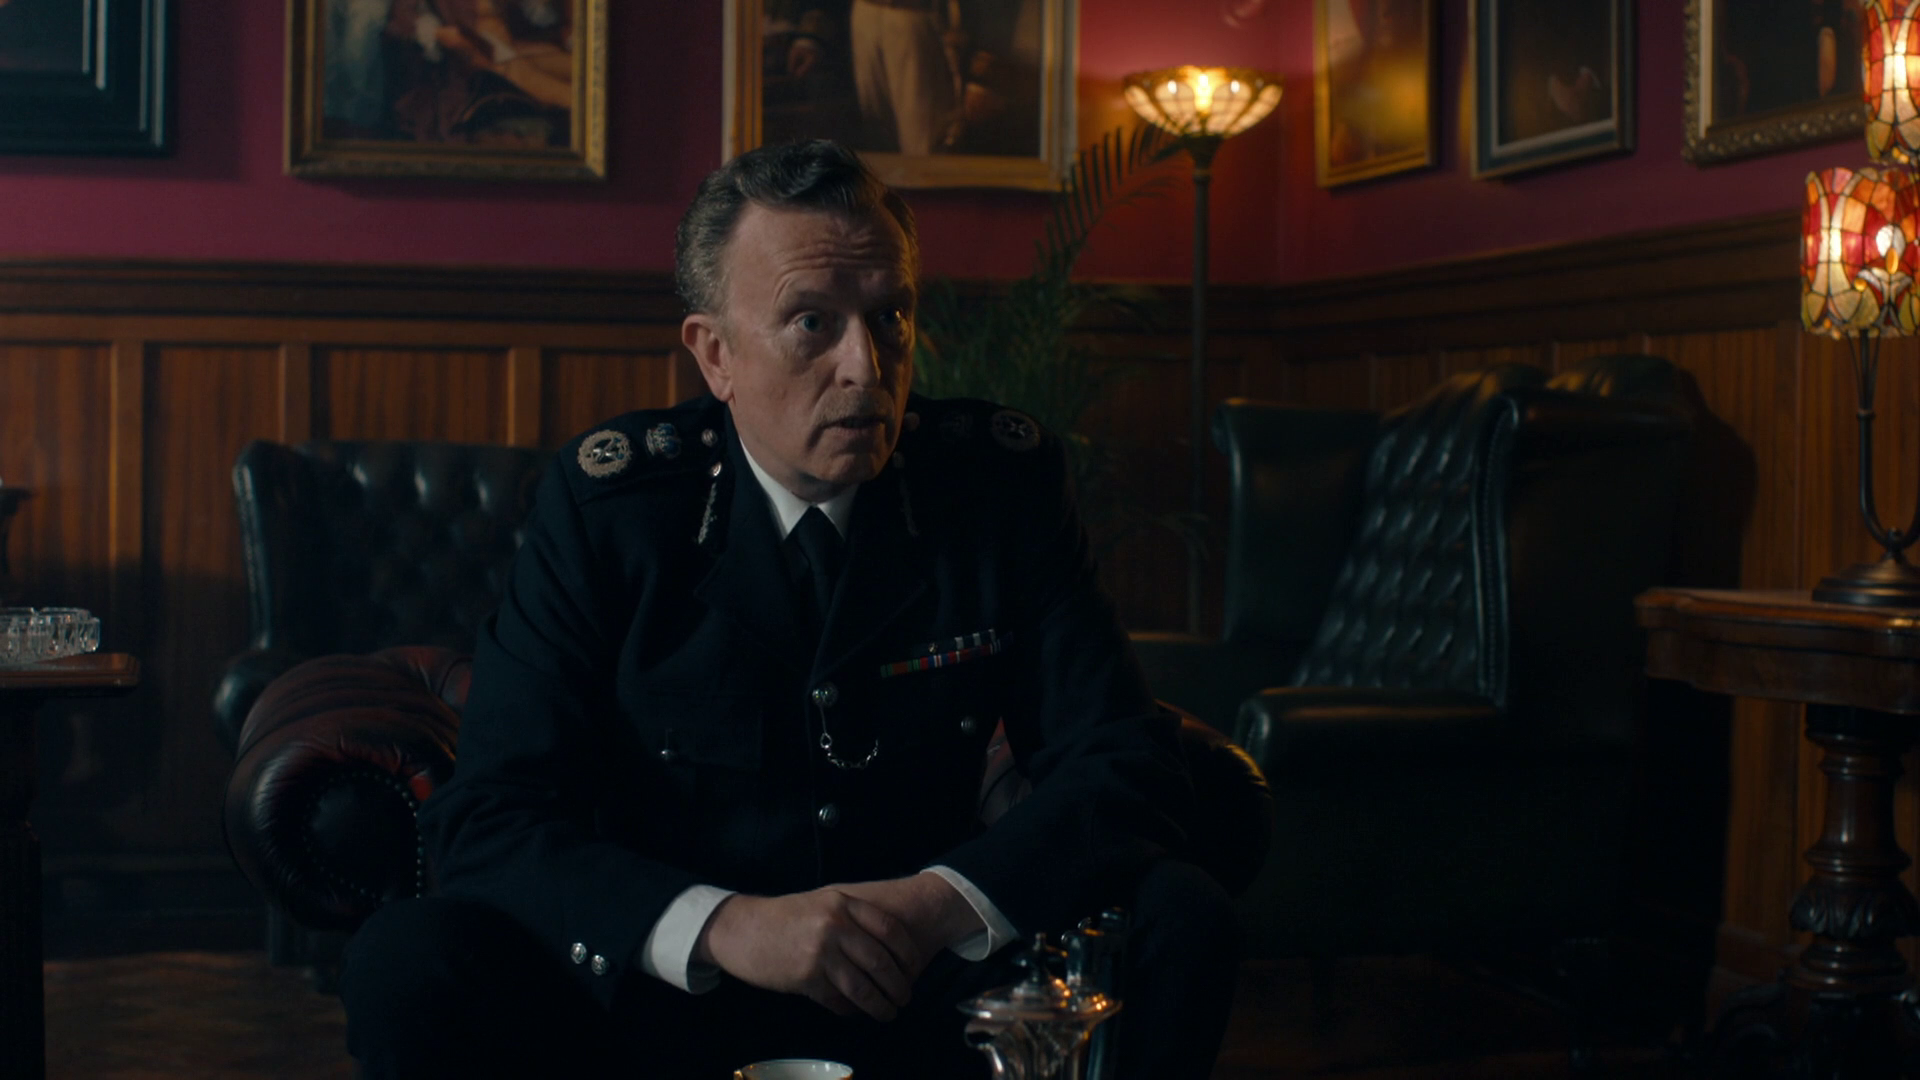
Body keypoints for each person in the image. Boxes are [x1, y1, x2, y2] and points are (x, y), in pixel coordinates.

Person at [337, 139, 1239, 1078]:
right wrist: (728, 927)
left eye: (889, 317)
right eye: (812, 321)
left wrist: (938, 903)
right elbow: (491, 816)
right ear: (715, 355)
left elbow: (1123, 767)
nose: (865, 366)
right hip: (677, 991)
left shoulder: (994, 489)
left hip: (922, 979)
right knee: (408, 961)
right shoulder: (615, 512)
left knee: (1179, 914)